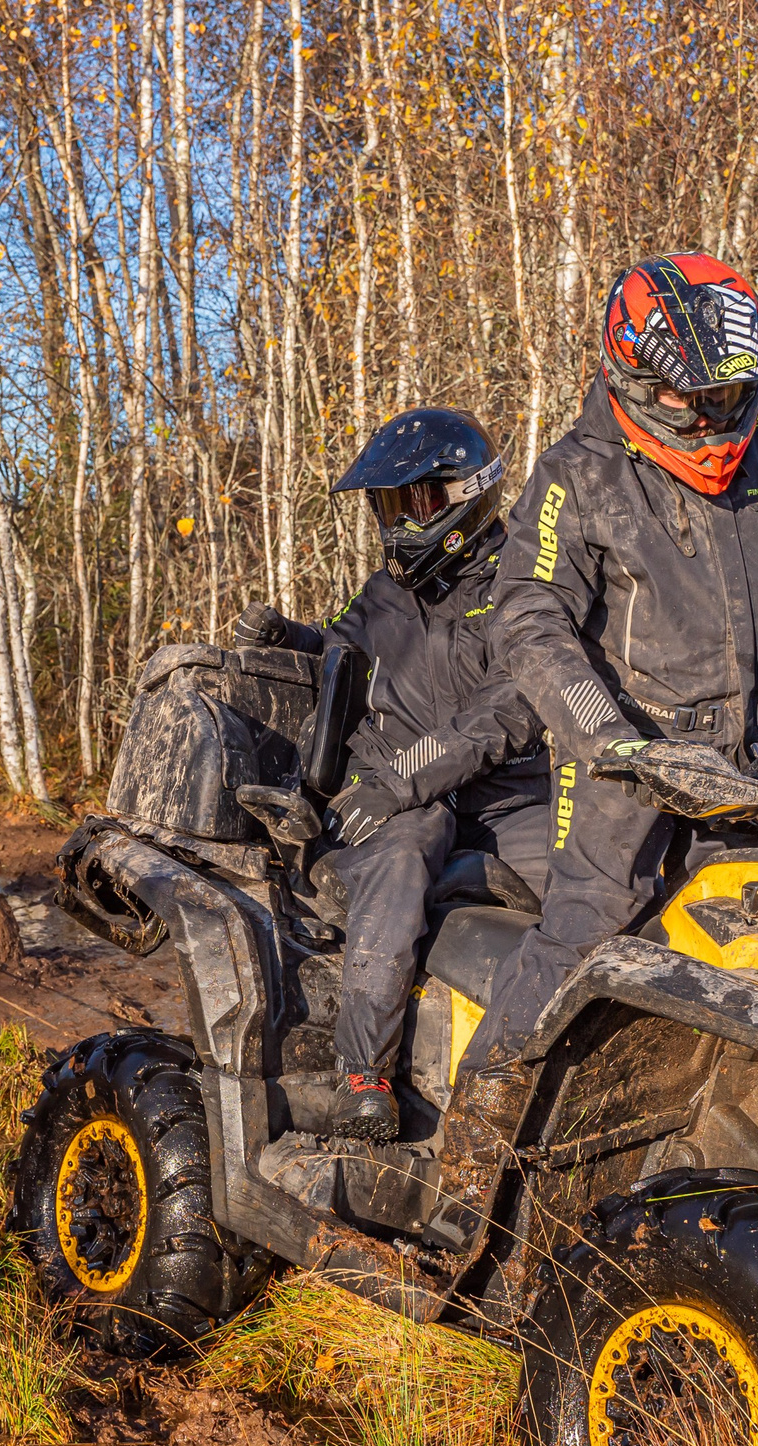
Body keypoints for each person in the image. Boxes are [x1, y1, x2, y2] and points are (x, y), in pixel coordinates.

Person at [459, 251, 758, 1078]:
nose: (714, 417)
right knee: (588, 928)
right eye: (694, 396)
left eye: (728, 394)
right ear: (635, 378)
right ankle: (481, 1127)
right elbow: (530, 619)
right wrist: (612, 742)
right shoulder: (579, 472)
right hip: (625, 766)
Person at [234, 407, 559, 1141]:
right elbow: (344, 649)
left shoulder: (523, 585)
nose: (396, 522)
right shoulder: (388, 591)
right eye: (388, 506)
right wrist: (292, 638)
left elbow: (506, 711)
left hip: (502, 797)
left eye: (413, 502)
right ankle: (363, 1074)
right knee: (414, 838)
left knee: (601, 878)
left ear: (463, 495)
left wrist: (406, 778)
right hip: (401, 804)